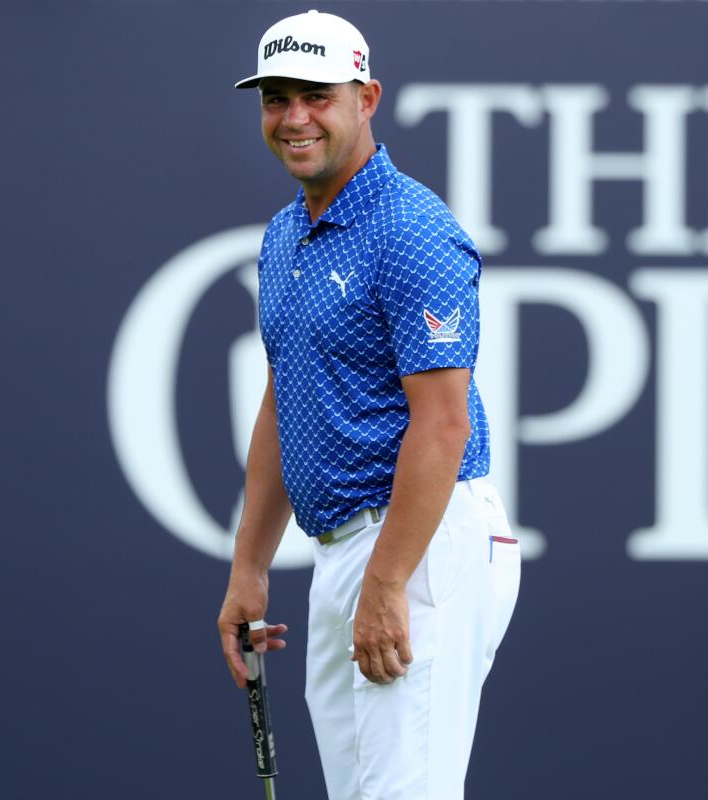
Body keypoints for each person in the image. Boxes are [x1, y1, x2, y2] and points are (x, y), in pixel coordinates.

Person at [216, 10, 521, 800]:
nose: (294, 119)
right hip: (342, 548)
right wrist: (249, 567)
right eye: (276, 99)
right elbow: (287, 401)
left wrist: (388, 585)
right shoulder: (286, 235)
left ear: (367, 97)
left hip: (421, 542)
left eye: (316, 96)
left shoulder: (413, 230)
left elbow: (444, 423)